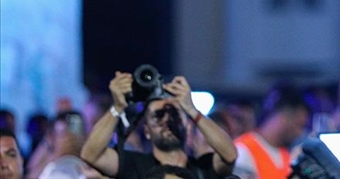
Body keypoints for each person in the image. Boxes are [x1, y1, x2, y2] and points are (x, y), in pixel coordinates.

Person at [80, 71, 237, 179]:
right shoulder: (133, 165)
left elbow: (229, 155)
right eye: (158, 115)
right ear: (146, 130)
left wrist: (192, 110)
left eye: (174, 114)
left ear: (188, 126)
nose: (166, 120)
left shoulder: (202, 168)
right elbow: (91, 155)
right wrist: (118, 107)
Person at [232, 84, 310, 179]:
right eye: (299, 125)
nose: (300, 133)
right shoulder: (243, 150)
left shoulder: (286, 155)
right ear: (285, 117)